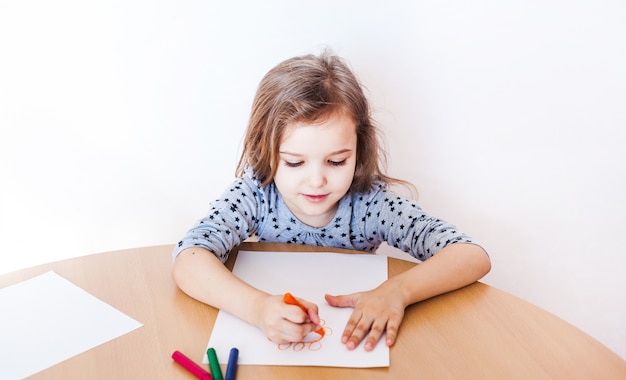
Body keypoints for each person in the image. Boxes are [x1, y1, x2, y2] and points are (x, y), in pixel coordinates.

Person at [172, 50, 491, 352]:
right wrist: (256, 308)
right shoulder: (257, 194)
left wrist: (398, 291)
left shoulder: (371, 205)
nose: (317, 181)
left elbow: (471, 255)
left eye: (336, 161)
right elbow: (189, 259)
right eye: (295, 163)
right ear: (264, 153)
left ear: (358, 149)